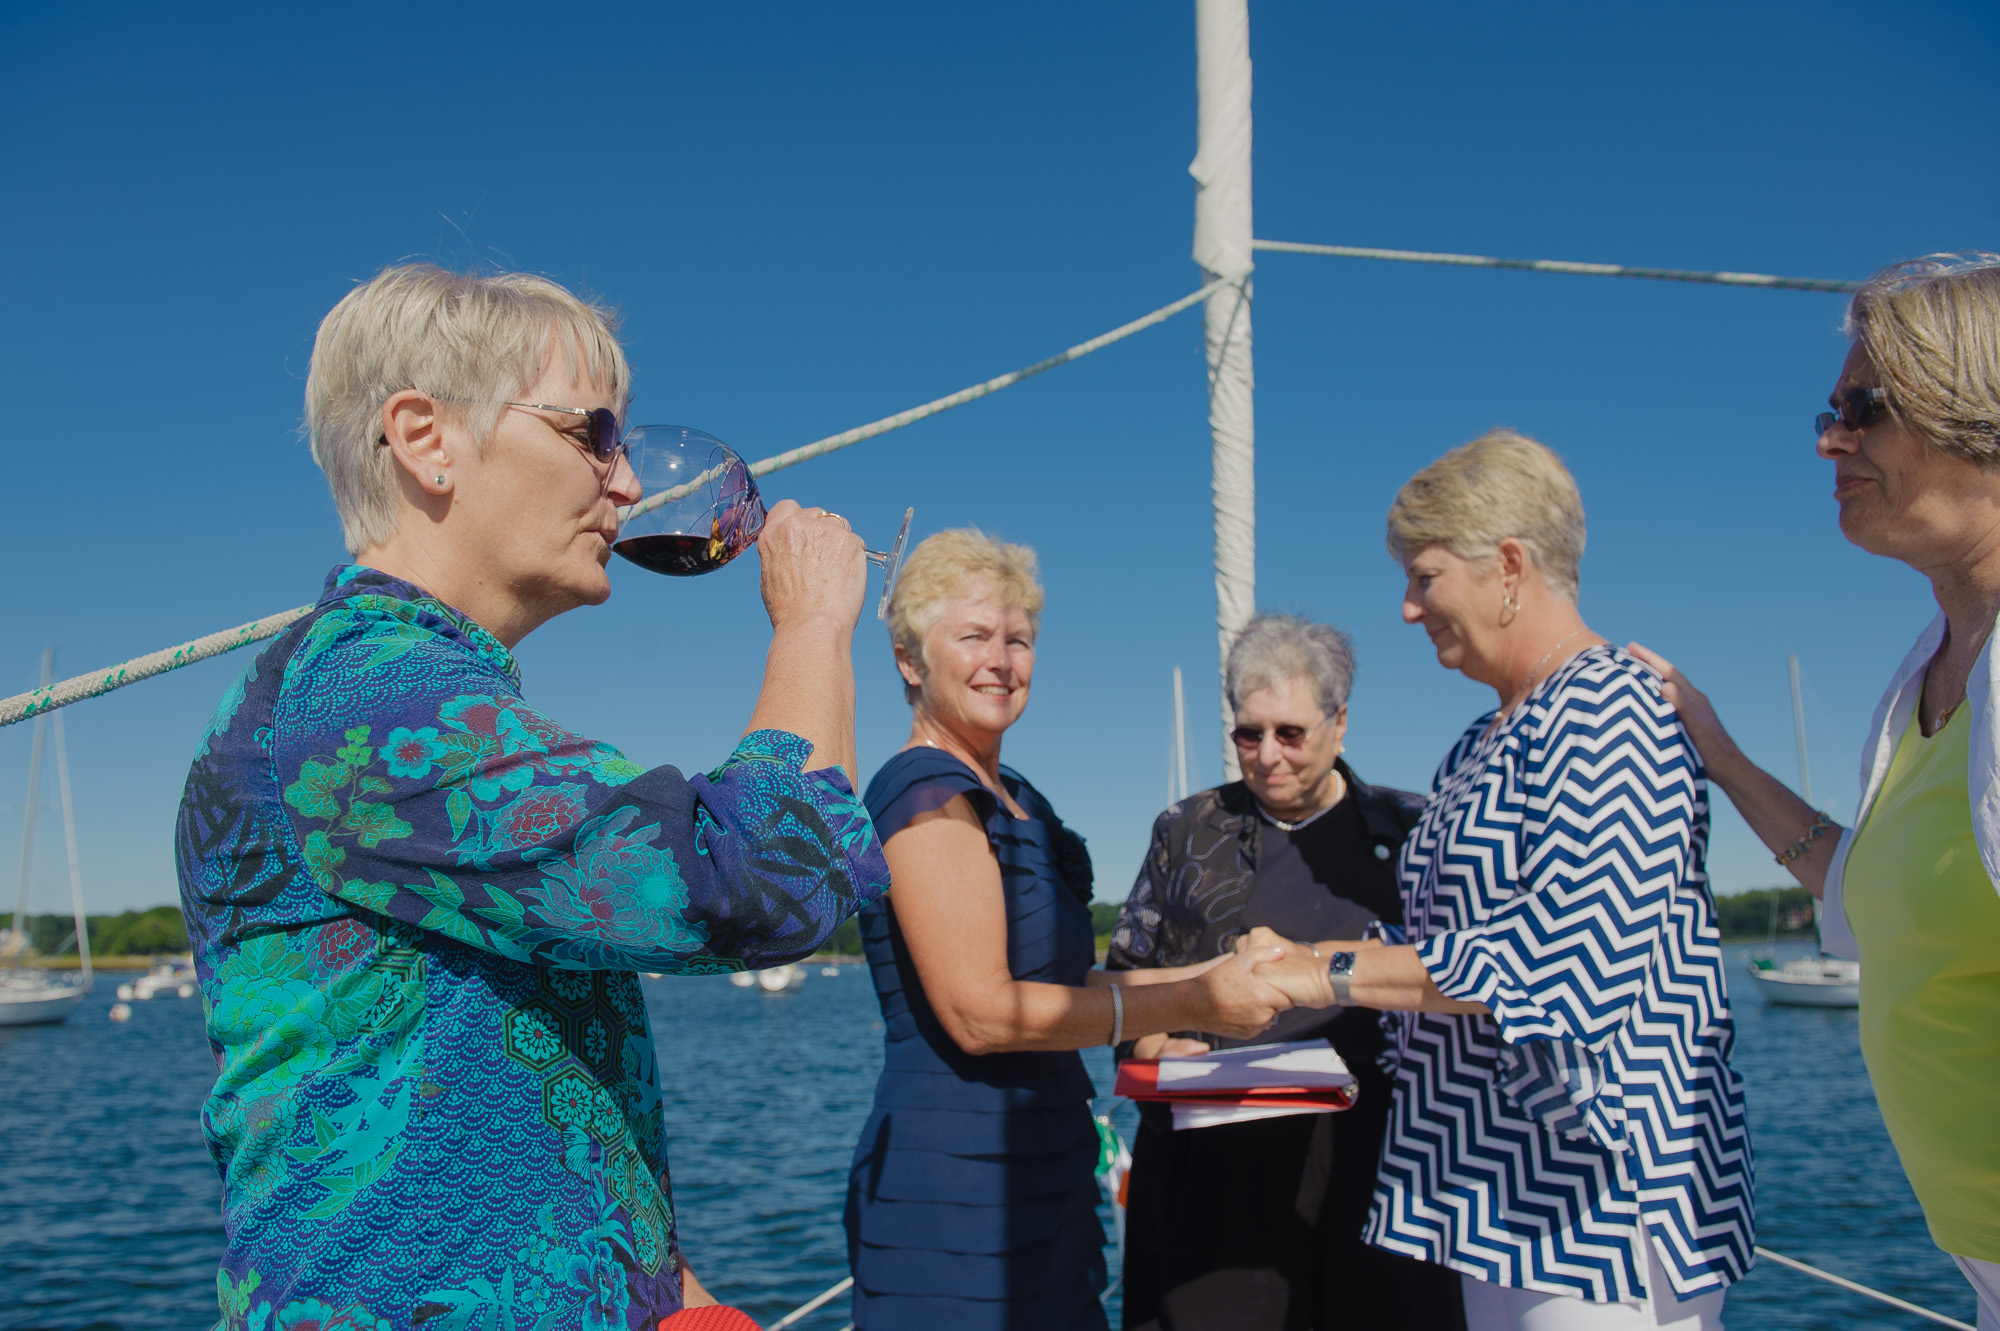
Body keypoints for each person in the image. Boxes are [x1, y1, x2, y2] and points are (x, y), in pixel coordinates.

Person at [175, 264, 891, 1330]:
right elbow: (754, 881)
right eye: (592, 433)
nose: (628, 484)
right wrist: (813, 625)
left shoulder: (386, 694)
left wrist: (662, 1280)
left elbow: (490, 1043)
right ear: (425, 438)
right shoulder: (370, 702)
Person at [1246, 430, 1753, 1331]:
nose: (1407, 607)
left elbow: (1568, 960)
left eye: (1425, 575)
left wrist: (1321, 968)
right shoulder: (1482, 740)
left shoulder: (1608, 709)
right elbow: (1450, 941)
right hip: (1497, 1199)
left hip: (1597, 1210)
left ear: (1509, 564)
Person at [1630, 253, 2000, 1330]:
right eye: (1829, 410)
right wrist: (1721, 752)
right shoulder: (1934, 674)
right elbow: (1862, 904)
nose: (1828, 438)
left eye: (1863, 408)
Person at [845, 529, 1298, 1330]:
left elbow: (1069, 988)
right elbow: (981, 1014)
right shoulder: (921, 791)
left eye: (1019, 639)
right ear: (910, 659)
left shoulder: (1018, 794)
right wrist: (1193, 996)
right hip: (954, 1192)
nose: (1003, 660)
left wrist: (1233, 973)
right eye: (975, 636)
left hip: (1048, 1171)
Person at [1105, 613, 1466, 1331]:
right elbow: (1124, 979)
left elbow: (1464, 981)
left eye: (1290, 733)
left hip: (1380, 1175)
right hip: (1216, 1174)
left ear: (1340, 723)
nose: (1268, 755)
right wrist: (1151, 1045)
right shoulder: (1187, 829)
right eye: (1249, 733)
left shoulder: (1415, 830)